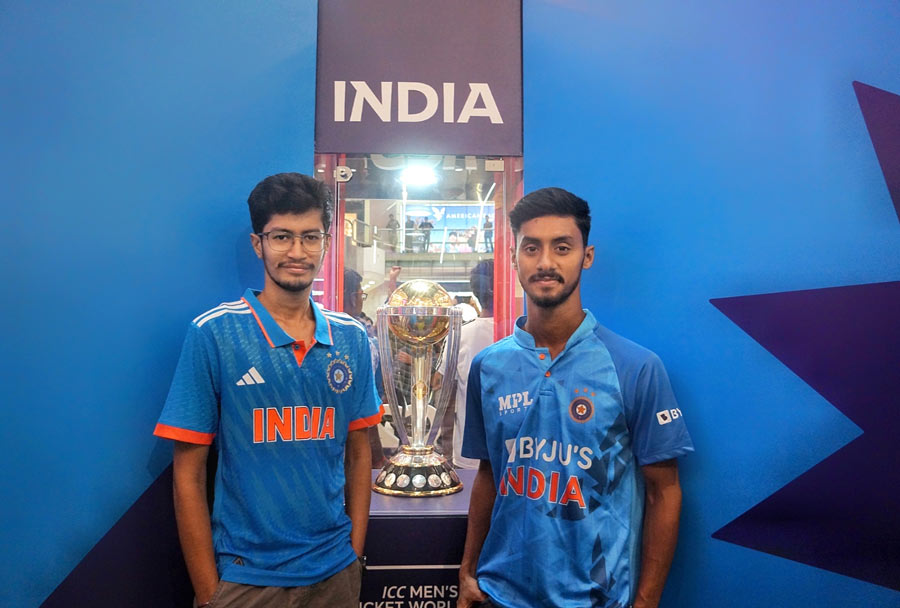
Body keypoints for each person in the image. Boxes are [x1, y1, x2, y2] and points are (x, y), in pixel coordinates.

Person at [154, 173, 382, 608]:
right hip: (245, 579)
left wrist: (353, 554)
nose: (297, 252)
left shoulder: (352, 338)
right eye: (281, 237)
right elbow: (188, 472)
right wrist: (208, 591)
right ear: (258, 244)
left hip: (335, 575)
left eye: (309, 237)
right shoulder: (214, 333)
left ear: (326, 243)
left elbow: (359, 452)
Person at [459, 188, 693, 608]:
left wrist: (645, 602)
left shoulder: (635, 367)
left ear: (586, 256)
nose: (546, 262)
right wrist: (468, 571)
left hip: (596, 601)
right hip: (498, 596)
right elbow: (490, 475)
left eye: (562, 247)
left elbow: (665, 492)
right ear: (513, 257)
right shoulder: (488, 366)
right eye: (531, 248)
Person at [439, 260, 494, 470]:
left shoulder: (459, 335)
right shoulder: (520, 333)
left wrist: (446, 448)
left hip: (466, 451)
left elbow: (446, 398)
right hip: (513, 451)